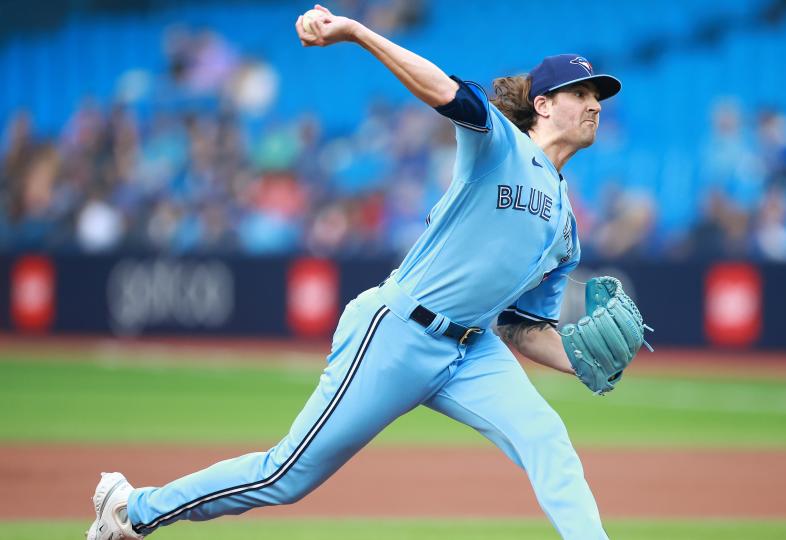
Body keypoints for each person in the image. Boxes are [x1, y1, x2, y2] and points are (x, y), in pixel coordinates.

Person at [87, 5, 646, 539]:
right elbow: (444, 91)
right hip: (398, 331)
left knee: (547, 437)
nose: (595, 103)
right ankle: (132, 508)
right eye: (582, 92)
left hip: (473, 351)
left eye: (598, 95)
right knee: (285, 476)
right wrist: (357, 32)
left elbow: (523, 326)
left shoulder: (566, 229)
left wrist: (578, 360)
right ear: (544, 104)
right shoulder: (500, 143)